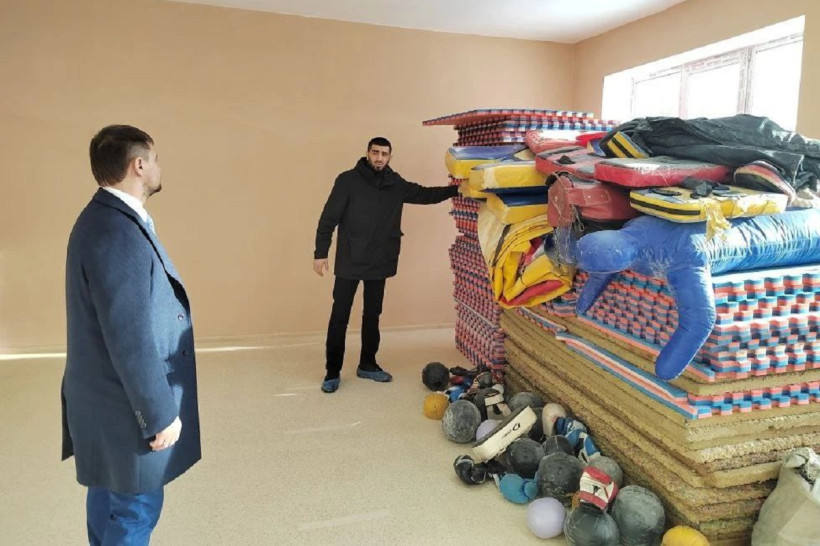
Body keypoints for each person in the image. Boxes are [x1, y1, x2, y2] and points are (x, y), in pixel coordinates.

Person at [61, 125, 201, 545]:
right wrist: (158, 414)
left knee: (109, 498)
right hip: (123, 406)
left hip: (104, 399)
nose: (158, 166)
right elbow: (129, 335)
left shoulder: (103, 218)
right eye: (155, 159)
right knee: (135, 510)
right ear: (139, 165)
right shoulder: (115, 231)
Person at [313, 136, 459, 393]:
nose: (379, 157)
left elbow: (424, 194)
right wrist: (320, 253)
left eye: (384, 153)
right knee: (340, 316)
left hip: (379, 259)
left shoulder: (395, 183)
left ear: (390, 156)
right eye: (375, 152)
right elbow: (328, 218)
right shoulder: (347, 181)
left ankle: (368, 364)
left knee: (373, 314)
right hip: (350, 258)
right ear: (367, 153)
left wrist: (456, 190)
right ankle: (332, 371)